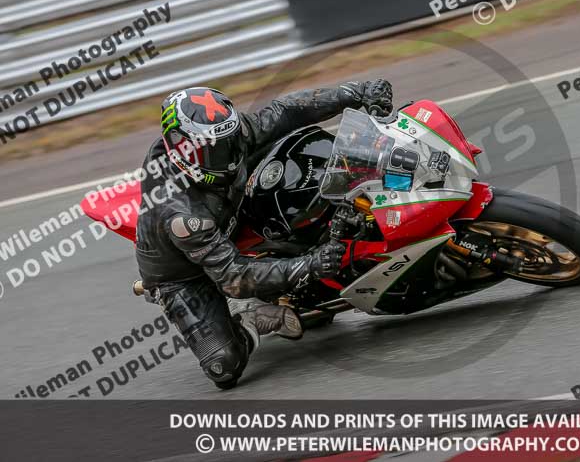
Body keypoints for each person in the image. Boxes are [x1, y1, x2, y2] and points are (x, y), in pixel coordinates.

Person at [135, 80, 393, 389]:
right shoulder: (180, 213)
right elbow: (235, 277)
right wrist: (311, 264)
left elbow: (285, 111)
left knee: (295, 159)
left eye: (229, 140)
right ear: (182, 148)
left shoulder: (224, 138)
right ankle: (248, 318)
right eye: (213, 150)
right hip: (186, 275)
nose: (228, 154)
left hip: (230, 211)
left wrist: (354, 93)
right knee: (224, 366)